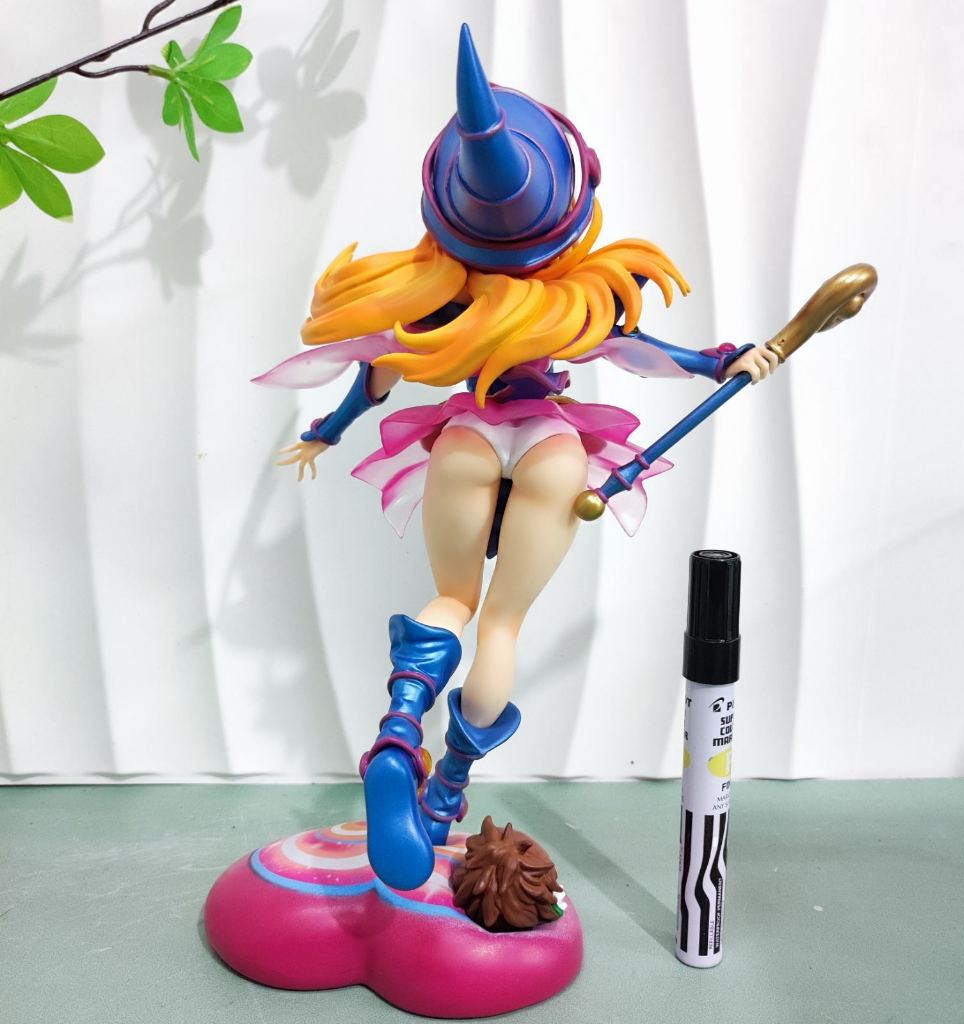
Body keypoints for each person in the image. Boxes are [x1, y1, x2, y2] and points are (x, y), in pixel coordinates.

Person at [256, 24, 777, 891]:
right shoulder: (579, 303)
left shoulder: (436, 306)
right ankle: (445, 794)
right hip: (552, 447)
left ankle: (398, 738)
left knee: (454, 600)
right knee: (501, 623)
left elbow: (376, 377)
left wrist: (328, 429)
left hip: (469, 436)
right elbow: (651, 354)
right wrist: (725, 360)